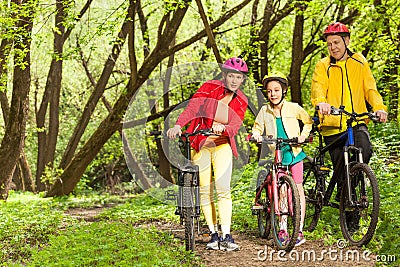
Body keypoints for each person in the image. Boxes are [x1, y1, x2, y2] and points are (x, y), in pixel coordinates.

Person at [311, 22, 388, 230]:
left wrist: (379, 107)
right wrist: (321, 103)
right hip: (333, 125)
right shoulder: (323, 66)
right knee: (340, 167)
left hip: (356, 121)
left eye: (336, 42)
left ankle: (352, 197)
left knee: (364, 150)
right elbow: (318, 87)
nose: (333, 47)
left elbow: (370, 89)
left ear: (347, 41)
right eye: (329, 44)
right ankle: (347, 207)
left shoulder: (359, 62)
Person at [166, 57, 249, 251]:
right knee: (205, 188)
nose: (235, 81)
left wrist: (224, 129)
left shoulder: (241, 100)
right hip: (201, 144)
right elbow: (193, 108)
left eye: (239, 77)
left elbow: (235, 126)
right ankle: (213, 234)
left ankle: (227, 234)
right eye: (231, 76)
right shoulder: (209, 87)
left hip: (222, 145)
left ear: (242, 79)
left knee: (223, 187)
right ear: (224, 76)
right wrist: (179, 125)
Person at [252, 72, 313, 246]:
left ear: (284, 90)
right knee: (282, 191)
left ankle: (299, 230)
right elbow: (257, 127)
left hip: (294, 153)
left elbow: (308, 121)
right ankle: (283, 229)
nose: (273, 94)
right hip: (277, 154)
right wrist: (257, 135)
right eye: (269, 91)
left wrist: (302, 136)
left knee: (298, 189)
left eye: (276, 90)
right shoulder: (265, 111)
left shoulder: (293, 107)